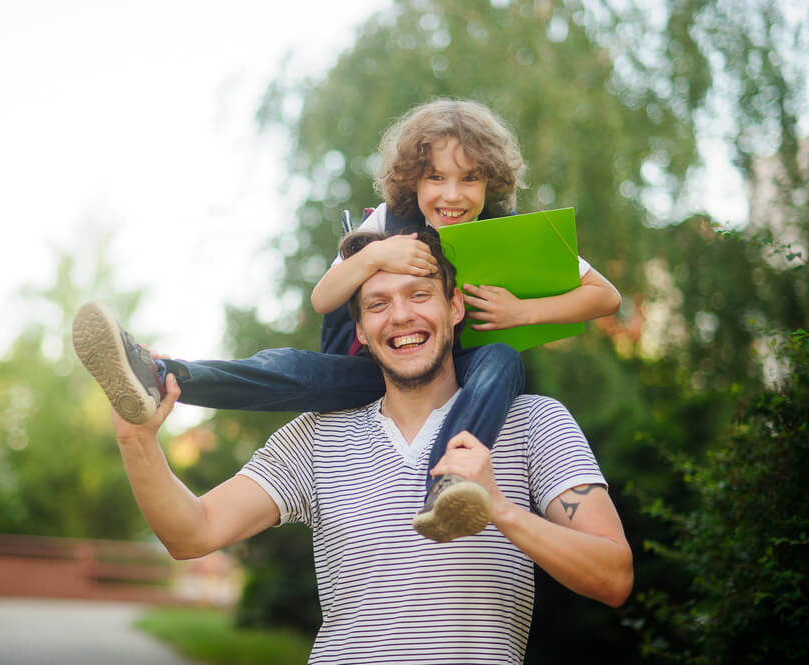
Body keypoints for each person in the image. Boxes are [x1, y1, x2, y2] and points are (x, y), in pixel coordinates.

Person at [72, 98, 621, 542]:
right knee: (294, 371)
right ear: (414, 180)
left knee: (502, 359)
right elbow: (323, 297)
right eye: (436, 179)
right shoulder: (386, 222)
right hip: (366, 370)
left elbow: (604, 297)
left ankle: (450, 483)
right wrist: (375, 257)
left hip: (462, 366)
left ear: (490, 183)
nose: (452, 196)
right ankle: (165, 374)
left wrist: (523, 312)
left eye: (469, 180)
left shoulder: (507, 231)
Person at [108, 229, 633, 664]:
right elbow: (193, 533)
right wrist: (137, 441)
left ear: (454, 308)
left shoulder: (533, 423)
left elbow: (614, 576)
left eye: (419, 295)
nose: (400, 316)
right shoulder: (317, 436)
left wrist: (497, 508)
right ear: (360, 327)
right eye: (378, 304)